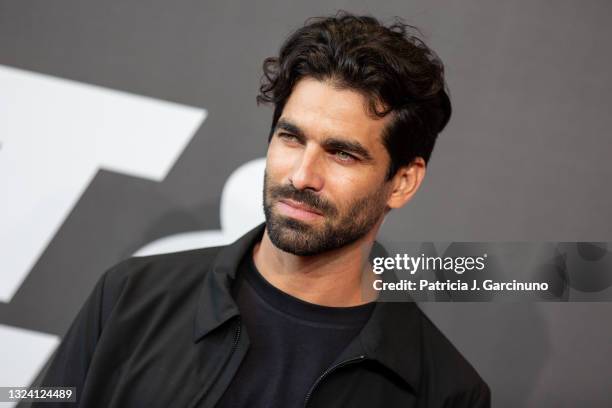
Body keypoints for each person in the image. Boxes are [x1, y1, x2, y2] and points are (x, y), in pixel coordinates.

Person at [35, 12, 490, 408]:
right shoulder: (130, 297)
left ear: (403, 181)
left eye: (342, 154)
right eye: (291, 138)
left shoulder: (444, 392)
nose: (301, 175)